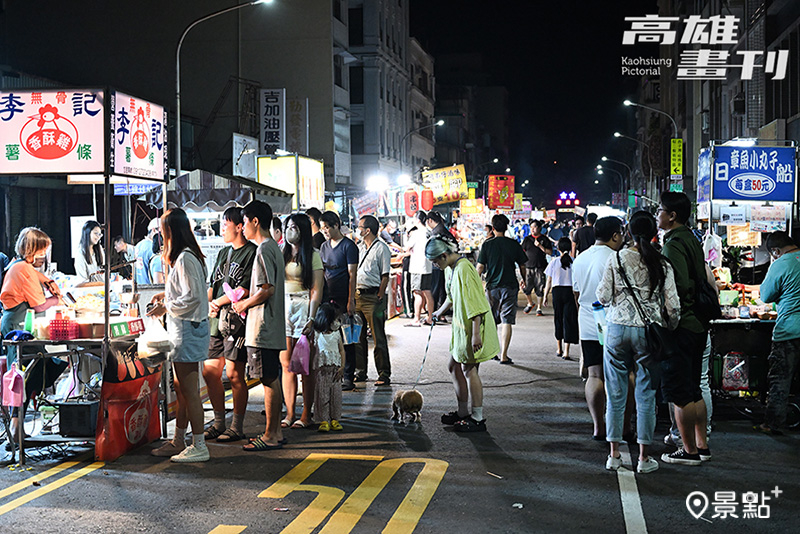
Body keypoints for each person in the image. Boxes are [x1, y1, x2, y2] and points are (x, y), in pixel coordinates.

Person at [597, 210, 680, 474]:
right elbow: (673, 306)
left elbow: (603, 294)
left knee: (616, 393)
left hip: (617, 330)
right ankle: (644, 458)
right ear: (654, 234)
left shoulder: (617, 258)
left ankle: (614, 455)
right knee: (647, 394)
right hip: (648, 333)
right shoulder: (662, 263)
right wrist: (669, 328)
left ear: (628, 233)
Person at [147, 209, 211, 463]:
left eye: (163, 230)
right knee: (181, 388)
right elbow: (186, 292)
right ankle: (180, 440)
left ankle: (199, 444)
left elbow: (193, 296)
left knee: (189, 390)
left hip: (187, 328)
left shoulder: (185, 258)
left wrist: (167, 306)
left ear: (170, 231)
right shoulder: (187, 256)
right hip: (184, 328)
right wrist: (165, 297)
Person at [656, 191, 711, 466]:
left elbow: (676, 287)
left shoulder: (674, 243)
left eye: (660, 211)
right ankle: (702, 444)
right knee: (694, 388)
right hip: (699, 324)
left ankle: (688, 450)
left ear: (672, 215)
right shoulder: (692, 238)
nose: (658, 215)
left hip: (684, 324)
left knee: (680, 392)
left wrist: (671, 321)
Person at [429, 234, 499, 432]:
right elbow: (451, 297)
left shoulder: (465, 269)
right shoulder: (450, 269)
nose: (435, 265)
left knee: (469, 369)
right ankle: (462, 412)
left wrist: (476, 334)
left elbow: (475, 302)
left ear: (444, 255)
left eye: (435, 261)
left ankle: (477, 417)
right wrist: (438, 312)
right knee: (454, 366)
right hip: (462, 328)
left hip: (473, 328)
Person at [233, 200, 287, 451]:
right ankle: (274, 432)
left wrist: (244, 304)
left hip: (263, 326)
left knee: (268, 380)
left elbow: (267, 289)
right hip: (271, 326)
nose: (242, 227)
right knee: (271, 378)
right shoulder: (272, 247)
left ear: (255, 221)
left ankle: (270, 435)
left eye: (244, 222)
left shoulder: (264, 249)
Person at [0, 228, 62, 443]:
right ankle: (15, 428)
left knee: (31, 370)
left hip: (18, 323)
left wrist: (52, 286)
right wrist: (58, 300)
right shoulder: (22, 269)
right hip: (17, 325)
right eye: (42, 250)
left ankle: (17, 427)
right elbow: (39, 304)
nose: (44, 254)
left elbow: (43, 281)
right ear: (31, 249)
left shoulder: (22, 266)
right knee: (24, 373)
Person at [201, 207, 257, 443]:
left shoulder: (252, 253)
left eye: (226, 224)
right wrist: (210, 304)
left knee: (235, 374)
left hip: (237, 322)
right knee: (210, 371)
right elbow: (213, 282)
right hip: (216, 321)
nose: (222, 228)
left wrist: (216, 302)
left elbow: (242, 289)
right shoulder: (223, 253)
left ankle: (237, 425)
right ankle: (218, 422)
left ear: (239, 226)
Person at [572, 216, 625, 440]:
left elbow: (576, 294)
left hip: (587, 319)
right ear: (615, 235)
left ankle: (598, 426)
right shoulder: (617, 258)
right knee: (620, 375)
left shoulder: (580, 258)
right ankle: (621, 425)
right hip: (613, 320)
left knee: (594, 374)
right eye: (621, 233)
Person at [279, 213, 324, 429]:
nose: (290, 230)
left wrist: (312, 317)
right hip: (284, 308)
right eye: (288, 226)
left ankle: (306, 413)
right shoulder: (282, 252)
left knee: (305, 365)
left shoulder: (313, 255)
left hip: (303, 306)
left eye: (294, 226)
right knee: (286, 364)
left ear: (303, 230)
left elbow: (317, 289)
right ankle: (289, 413)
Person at [755, 231, 800, 435]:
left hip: (789, 331)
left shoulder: (781, 264)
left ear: (775, 251)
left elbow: (765, 295)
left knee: (780, 379)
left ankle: (773, 423)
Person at [477, 214, 527, 365]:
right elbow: (523, 265)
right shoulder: (513, 244)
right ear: (506, 227)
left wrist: (475, 282)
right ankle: (504, 355)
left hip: (492, 287)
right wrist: (524, 279)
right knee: (507, 320)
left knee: (491, 321)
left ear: (493, 228)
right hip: (510, 286)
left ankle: (492, 352)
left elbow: (480, 267)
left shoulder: (487, 244)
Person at [319, 210, 359, 391]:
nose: (324, 231)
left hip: (344, 298)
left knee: (347, 338)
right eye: (322, 228)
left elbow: (352, 275)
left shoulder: (349, 247)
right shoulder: (323, 247)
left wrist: (351, 300)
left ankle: (348, 376)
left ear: (336, 225)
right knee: (329, 336)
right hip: (328, 298)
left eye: (327, 227)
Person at [354, 215, 392, 386]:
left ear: (367, 230)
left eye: (360, 227)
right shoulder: (359, 247)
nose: (358, 229)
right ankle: (360, 371)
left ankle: (384, 373)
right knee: (358, 338)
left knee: (378, 337)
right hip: (357, 296)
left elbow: (385, 275)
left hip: (373, 296)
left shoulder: (381, 248)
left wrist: (380, 295)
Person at [312, 302, 346, 432]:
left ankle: (335, 419)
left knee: (336, 396)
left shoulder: (336, 334)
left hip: (335, 370)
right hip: (322, 371)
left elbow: (342, 350)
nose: (337, 322)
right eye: (335, 319)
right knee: (322, 396)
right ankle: (323, 420)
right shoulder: (317, 335)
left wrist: (342, 366)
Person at [544, 237, 579, 360]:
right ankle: (567, 352)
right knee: (568, 320)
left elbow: (549, 280)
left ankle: (559, 349)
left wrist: (545, 296)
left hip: (557, 292)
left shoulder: (554, 262)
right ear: (570, 249)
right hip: (570, 292)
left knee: (558, 319)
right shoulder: (574, 261)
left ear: (558, 249)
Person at [406, 212, 434, 327]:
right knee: (427, 292)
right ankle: (430, 317)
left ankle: (416, 319)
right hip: (427, 266)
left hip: (417, 266)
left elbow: (407, 248)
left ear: (418, 220)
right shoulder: (429, 232)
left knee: (417, 293)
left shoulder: (416, 234)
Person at [521, 220, 551, 316]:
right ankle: (530, 303)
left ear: (539, 228)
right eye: (531, 227)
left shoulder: (545, 239)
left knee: (540, 287)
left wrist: (540, 246)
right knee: (526, 288)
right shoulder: (527, 239)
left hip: (540, 267)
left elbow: (550, 252)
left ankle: (539, 308)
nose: (532, 229)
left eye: (534, 227)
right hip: (528, 267)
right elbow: (522, 252)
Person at [426, 211, 450, 309]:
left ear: (430, 220)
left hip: (439, 265)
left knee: (435, 289)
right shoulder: (443, 229)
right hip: (445, 264)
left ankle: (434, 313)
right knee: (442, 289)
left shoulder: (436, 232)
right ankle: (442, 312)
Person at [134, 218, 159, 285]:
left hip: (138, 288)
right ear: (154, 230)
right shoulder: (152, 248)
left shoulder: (138, 245)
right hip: (149, 289)